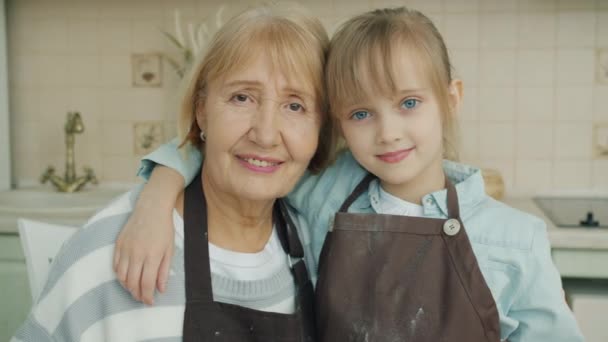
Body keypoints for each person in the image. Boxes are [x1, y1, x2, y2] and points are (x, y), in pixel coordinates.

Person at [113, 7, 584, 342]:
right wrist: (158, 195)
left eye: (409, 103)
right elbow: (234, 153)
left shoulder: (516, 241)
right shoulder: (326, 192)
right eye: (361, 114)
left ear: (451, 98)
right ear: (339, 121)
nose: (387, 133)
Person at [11, 5, 333, 341]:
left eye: (295, 105)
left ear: (321, 128)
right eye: (241, 98)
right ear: (201, 111)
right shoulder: (109, 252)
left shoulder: (315, 239)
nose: (265, 135)